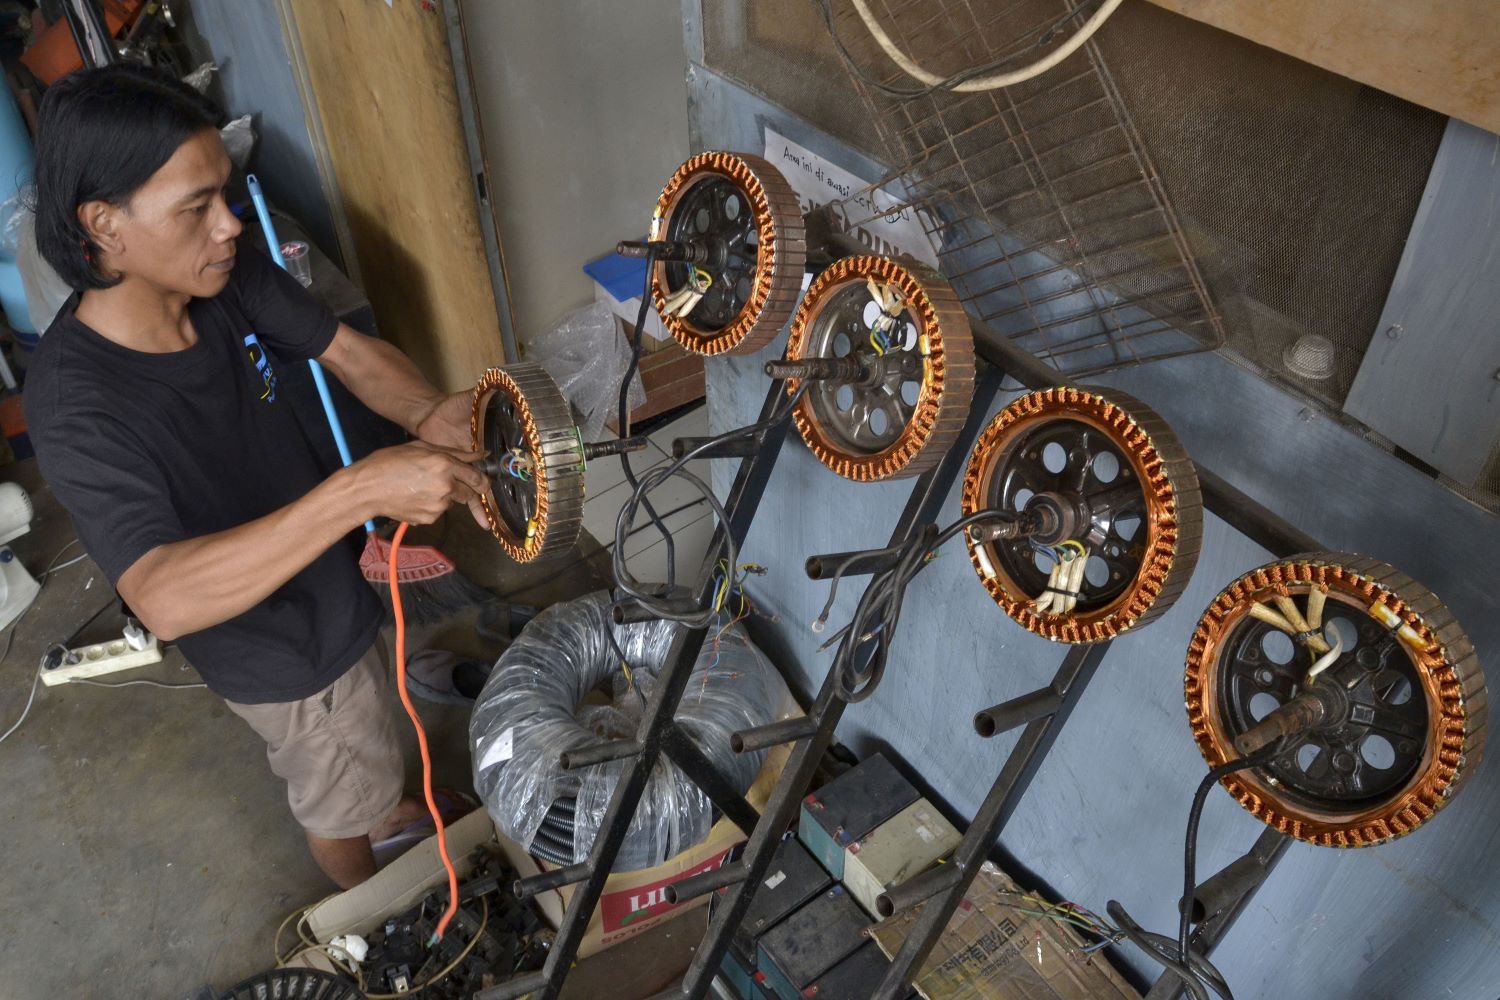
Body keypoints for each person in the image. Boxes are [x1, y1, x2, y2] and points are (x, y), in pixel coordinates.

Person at [23, 64, 490, 889]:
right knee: (341, 783)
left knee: (368, 735)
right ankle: (381, 905)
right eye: (195, 207)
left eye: (225, 196)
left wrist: (425, 414)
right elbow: (162, 594)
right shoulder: (75, 404)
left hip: (332, 583)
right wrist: (361, 488)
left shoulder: (216, 275)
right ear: (105, 226)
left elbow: (344, 352)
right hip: (285, 651)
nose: (230, 225)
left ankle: (388, 804)